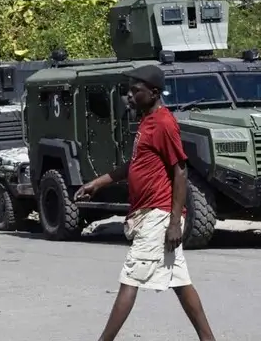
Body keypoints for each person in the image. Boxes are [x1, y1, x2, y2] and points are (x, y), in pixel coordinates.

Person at [75, 64, 216, 341]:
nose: (129, 96)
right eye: (129, 90)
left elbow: (180, 171)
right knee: (180, 282)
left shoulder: (164, 123)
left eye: (135, 91)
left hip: (158, 215)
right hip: (150, 213)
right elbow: (136, 165)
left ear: (153, 93)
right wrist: (98, 183)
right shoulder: (146, 121)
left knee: (130, 278)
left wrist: (175, 222)